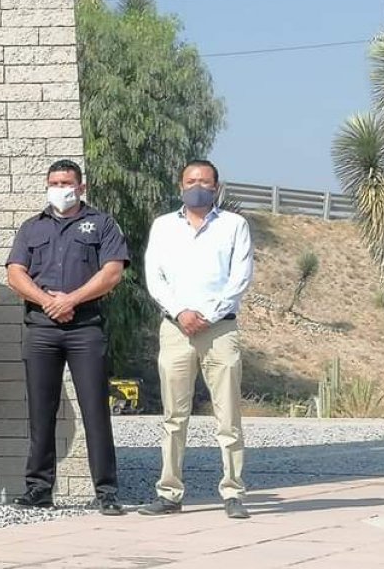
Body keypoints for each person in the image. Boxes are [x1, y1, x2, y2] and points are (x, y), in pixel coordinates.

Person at [6, 159, 128, 516]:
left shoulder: (102, 224)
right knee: (40, 411)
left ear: (81, 187)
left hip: (85, 327)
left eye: (67, 182)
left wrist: (71, 300)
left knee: (95, 410)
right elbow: (16, 274)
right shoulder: (32, 227)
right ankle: (39, 488)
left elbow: (112, 272)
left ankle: (106, 491)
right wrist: (48, 302)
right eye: (55, 182)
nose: (61, 188)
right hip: (41, 328)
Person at [139, 160, 254, 520]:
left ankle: (233, 492)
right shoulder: (163, 227)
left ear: (217, 187)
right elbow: (154, 276)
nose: (197, 186)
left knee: (228, 415)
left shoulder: (235, 226)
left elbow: (241, 276)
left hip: (220, 330)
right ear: (180, 186)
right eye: (191, 181)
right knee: (174, 415)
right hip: (176, 329)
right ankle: (169, 493)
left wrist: (208, 314)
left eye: (205, 181)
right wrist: (181, 313)